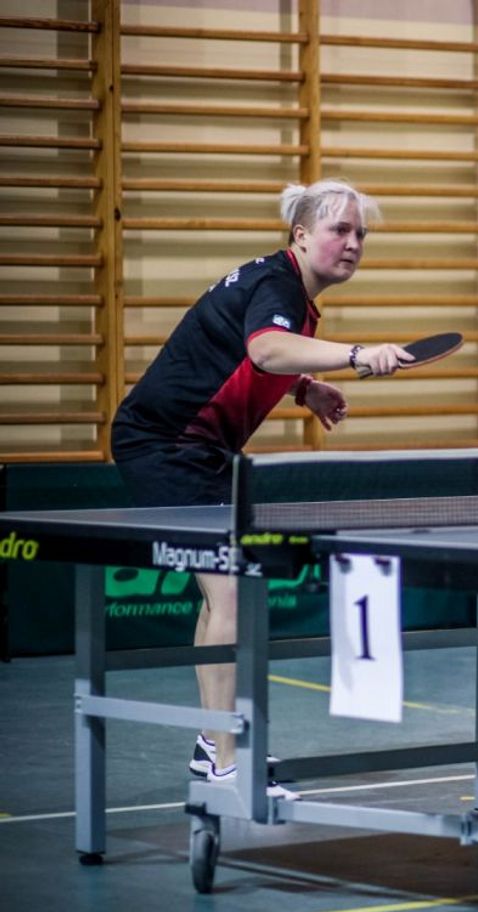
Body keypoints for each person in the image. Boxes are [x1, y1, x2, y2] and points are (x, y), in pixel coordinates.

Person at [110, 179, 415, 784]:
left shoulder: (281, 285)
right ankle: (229, 762)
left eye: (360, 233)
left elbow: (237, 349)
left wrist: (305, 389)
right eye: (339, 230)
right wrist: (357, 354)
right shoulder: (278, 285)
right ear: (301, 235)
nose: (353, 243)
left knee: (223, 596)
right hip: (168, 446)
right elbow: (267, 351)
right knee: (229, 595)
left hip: (196, 448)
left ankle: (214, 745)